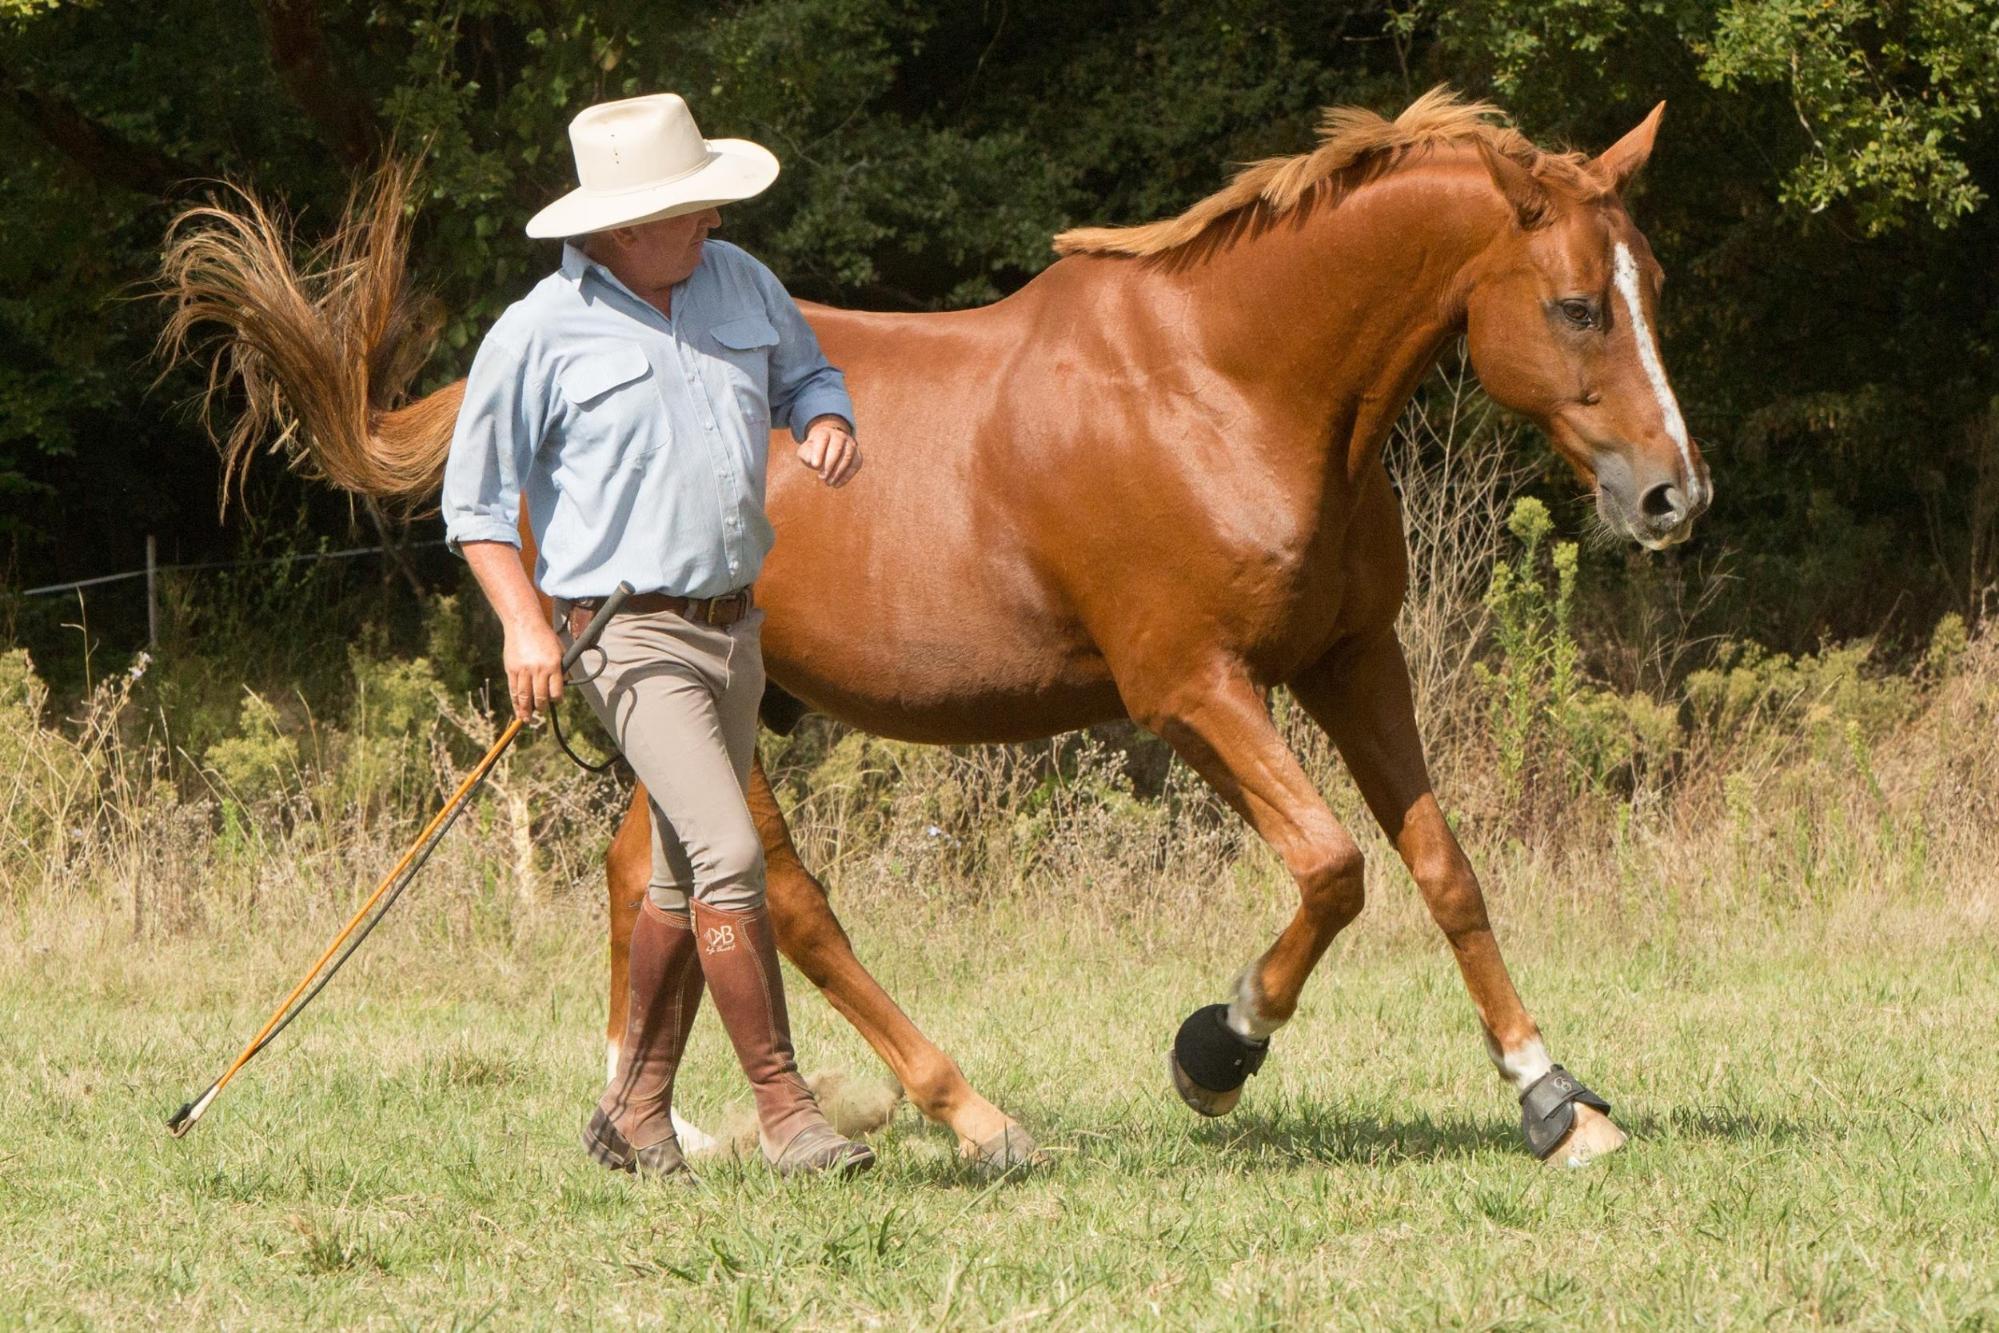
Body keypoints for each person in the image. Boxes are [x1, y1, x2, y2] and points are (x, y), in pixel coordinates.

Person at [439, 92, 869, 1178]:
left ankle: (631, 1114)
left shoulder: (741, 283)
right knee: (731, 854)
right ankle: (787, 1111)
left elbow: (809, 372)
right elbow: (476, 509)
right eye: (691, 208)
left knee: (682, 878)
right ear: (624, 227)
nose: (713, 221)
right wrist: (523, 628)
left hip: (736, 630)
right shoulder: (536, 332)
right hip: (625, 638)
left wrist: (824, 417)